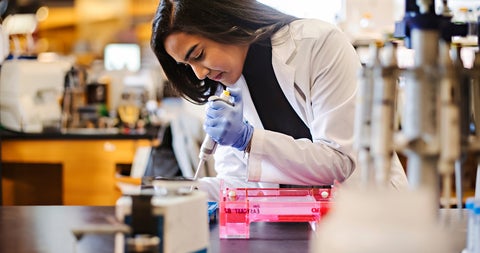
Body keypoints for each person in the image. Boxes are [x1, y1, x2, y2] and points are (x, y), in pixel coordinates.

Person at [150, 0, 409, 201]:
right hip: (293, 226)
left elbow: (339, 162)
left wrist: (248, 140)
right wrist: (184, 192)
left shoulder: (318, 44)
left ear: (222, 22)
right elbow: (237, 184)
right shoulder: (225, 85)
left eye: (198, 54)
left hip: (368, 217)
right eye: (188, 65)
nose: (199, 72)